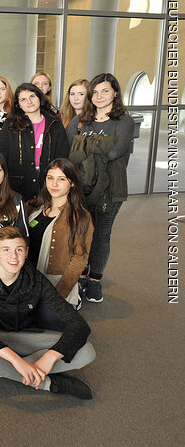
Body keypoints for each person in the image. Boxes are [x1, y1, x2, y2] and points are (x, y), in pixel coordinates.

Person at [0, 226, 96, 399]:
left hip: (25, 336)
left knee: (87, 351)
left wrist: (50, 358)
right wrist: (16, 361)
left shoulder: (36, 280)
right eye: (6, 250)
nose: (13, 257)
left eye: (19, 250)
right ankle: (50, 383)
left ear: (26, 252)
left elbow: (79, 324)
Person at [66, 73, 134, 304]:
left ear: (115, 92)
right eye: (95, 92)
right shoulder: (80, 121)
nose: (100, 96)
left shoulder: (123, 121)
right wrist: (99, 146)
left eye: (105, 91)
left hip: (109, 190)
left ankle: (95, 279)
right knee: (81, 233)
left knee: (101, 236)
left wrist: (83, 146)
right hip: (80, 188)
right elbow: (69, 153)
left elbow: (116, 152)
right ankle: (81, 274)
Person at [27, 159, 94, 309]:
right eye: (50, 178)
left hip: (54, 286)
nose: (54, 184)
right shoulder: (33, 206)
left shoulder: (80, 217)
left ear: (72, 183)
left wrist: (58, 296)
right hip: (28, 283)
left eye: (61, 179)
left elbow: (79, 259)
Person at [0, 83, 70, 201]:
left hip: (48, 181)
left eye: (32, 96)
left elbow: (63, 155)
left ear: (39, 98)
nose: (29, 101)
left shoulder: (54, 123)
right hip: (18, 184)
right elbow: (1, 155)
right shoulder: (11, 124)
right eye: (23, 99)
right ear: (18, 104)